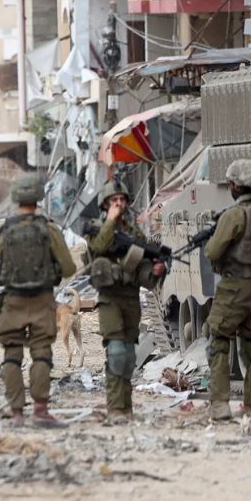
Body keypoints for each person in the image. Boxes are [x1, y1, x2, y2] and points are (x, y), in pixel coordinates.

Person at [0, 173, 77, 424]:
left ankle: (16, 412)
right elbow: (69, 268)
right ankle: (40, 411)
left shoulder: (2, 229)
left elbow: (0, 262)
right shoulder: (49, 229)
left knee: (11, 356)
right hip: (42, 301)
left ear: (15, 198)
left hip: (13, 301)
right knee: (41, 355)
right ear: (39, 198)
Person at [84, 180, 166, 422]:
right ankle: (115, 408)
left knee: (129, 355)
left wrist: (156, 270)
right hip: (109, 298)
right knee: (116, 352)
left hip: (130, 297)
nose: (119, 203)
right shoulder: (96, 228)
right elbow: (99, 248)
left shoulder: (134, 234)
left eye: (122, 200)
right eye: (113, 200)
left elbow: (144, 270)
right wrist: (110, 220)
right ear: (105, 204)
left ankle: (126, 408)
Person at [204, 159, 251, 420]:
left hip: (233, 287)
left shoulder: (234, 215)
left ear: (236, 186)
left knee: (219, 342)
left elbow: (213, 250)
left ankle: (220, 406)